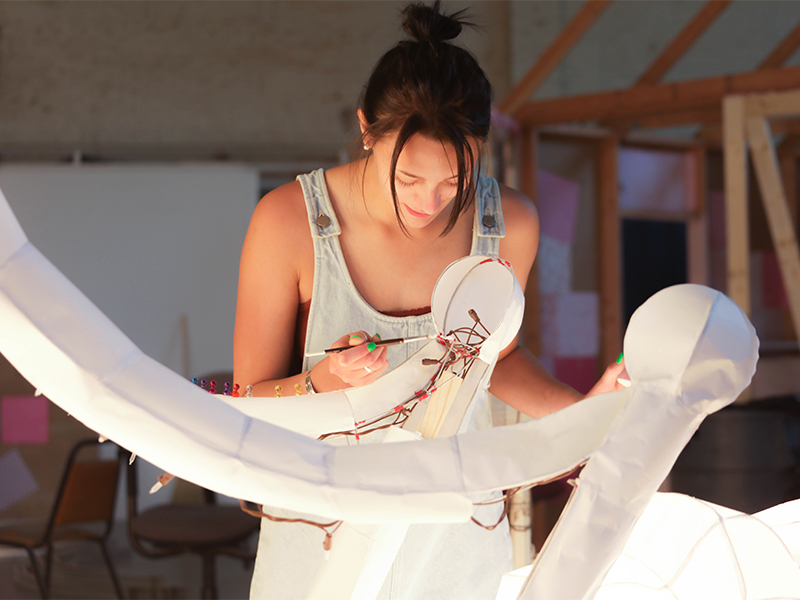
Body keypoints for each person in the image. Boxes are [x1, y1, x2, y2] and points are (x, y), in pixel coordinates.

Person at [233, 2, 625, 598]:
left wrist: (580, 418)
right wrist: (323, 384)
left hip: (454, 523)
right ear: (366, 129)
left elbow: (499, 360)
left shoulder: (508, 223)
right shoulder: (288, 222)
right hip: (324, 529)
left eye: (453, 180)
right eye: (408, 179)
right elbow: (246, 398)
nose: (431, 202)